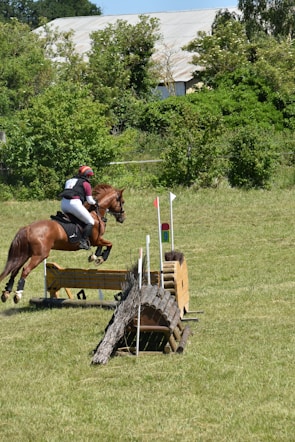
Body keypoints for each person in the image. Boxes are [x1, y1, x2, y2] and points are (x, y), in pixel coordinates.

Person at [60, 165, 97, 250]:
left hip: (63, 204)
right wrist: (96, 203)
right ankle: (83, 241)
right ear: (86, 175)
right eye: (89, 176)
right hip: (74, 204)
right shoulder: (86, 184)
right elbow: (90, 200)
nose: (89, 178)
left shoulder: (69, 181)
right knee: (90, 221)